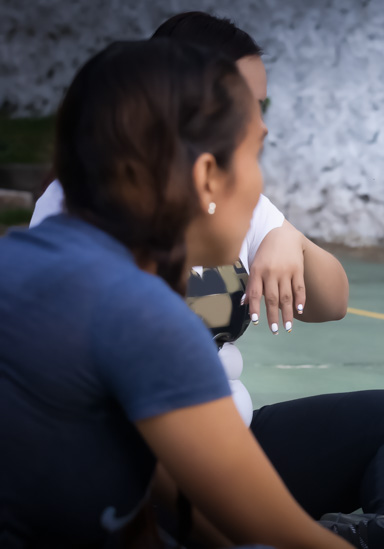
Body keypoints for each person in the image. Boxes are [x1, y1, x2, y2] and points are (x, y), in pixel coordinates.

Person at [26, 13, 384, 548]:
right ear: (204, 164)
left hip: (188, 455)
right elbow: (162, 468)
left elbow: (331, 299)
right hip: (147, 477)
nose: (261, 189)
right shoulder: (128, 305)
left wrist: (287, 235)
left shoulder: (63, 259)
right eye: (251, 139)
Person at [0, 37, 352, 549]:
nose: (261, 185)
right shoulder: (138, 311)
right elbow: (281, 530)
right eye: (256, 154)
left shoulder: (30, 260)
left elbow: (169, 480)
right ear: (208, 176)